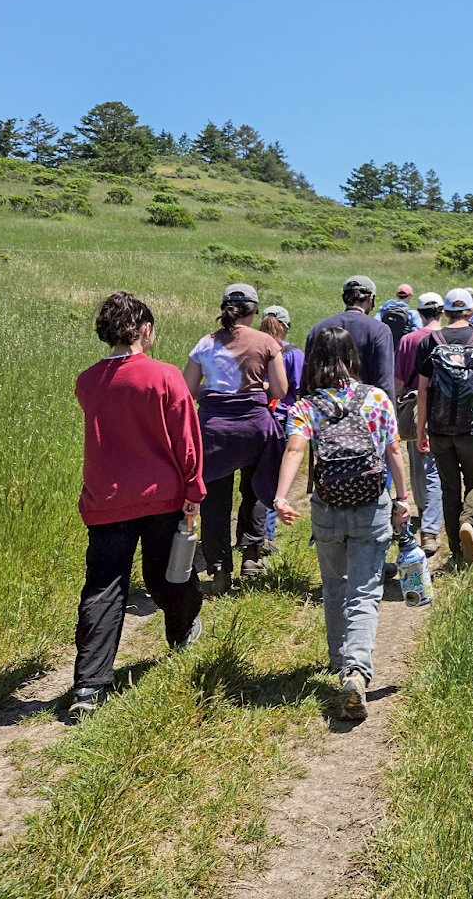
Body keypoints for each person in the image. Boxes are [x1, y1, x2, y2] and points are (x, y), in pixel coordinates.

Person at [71, 292, 205, 715]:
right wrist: (194, 491)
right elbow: (187, 441)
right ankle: (182, 631)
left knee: (103, 588)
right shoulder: (165, 377)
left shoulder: (87, 381)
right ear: (145, 330)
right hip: (162, 496)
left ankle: (89, 689)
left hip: (106, 500)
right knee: (169, 573)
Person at [272, 327, 411, 720]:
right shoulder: (376, 398)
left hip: (327, 507)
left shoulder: (307, 406)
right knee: (364, 592)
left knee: (334, 585)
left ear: (315, 359)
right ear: (352, 358)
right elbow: (393, 450)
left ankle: (338, 659)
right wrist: (402, 499)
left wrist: (282, 497)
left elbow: (295, 450)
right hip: (370, 505)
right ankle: (355, 670)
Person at [184, 283, 288, 592]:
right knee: (255, 488)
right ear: (255, 311)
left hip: (214, 428)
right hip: (254, 426)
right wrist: (254, 390)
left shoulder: (206, 343)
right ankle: (251, 554)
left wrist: (215, 394)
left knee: (215, 499)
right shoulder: (266, 341)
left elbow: (188, 390)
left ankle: (218, 570)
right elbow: (280, 390)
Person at [415, 288, 473, 567]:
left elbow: (423, 391)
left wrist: (421, 430)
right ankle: (469, 523)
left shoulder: (431, 342)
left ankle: (456, 553)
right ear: (472, 311)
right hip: (472, 427)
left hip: (440, 429)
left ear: (444, 312)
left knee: (450, 488)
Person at [394, 292, 447, 554]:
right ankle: (431, 526)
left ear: (419, 312)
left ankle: (426, 514)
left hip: (416, 410)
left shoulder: (408, 340)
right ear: (442, 312)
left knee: (417, 465)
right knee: (436, 469)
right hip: (446, 410)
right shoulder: (449, 338)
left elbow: (399, 382)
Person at [251, 305, 304, 544]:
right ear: (284, 326)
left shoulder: (252, 349)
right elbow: (301, 388)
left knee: (252, 478)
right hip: (281, 418)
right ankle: (267, 537)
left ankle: (250, 532)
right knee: (274, 477)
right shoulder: (292, 353)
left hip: (255, 416)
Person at [304, 275, 396, 401]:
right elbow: (384, 382)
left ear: (345, 298)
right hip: (364, 412)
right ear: (371, 298)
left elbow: (307, 379)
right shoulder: (379, 330)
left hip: (322, 411)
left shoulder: (319, 328)